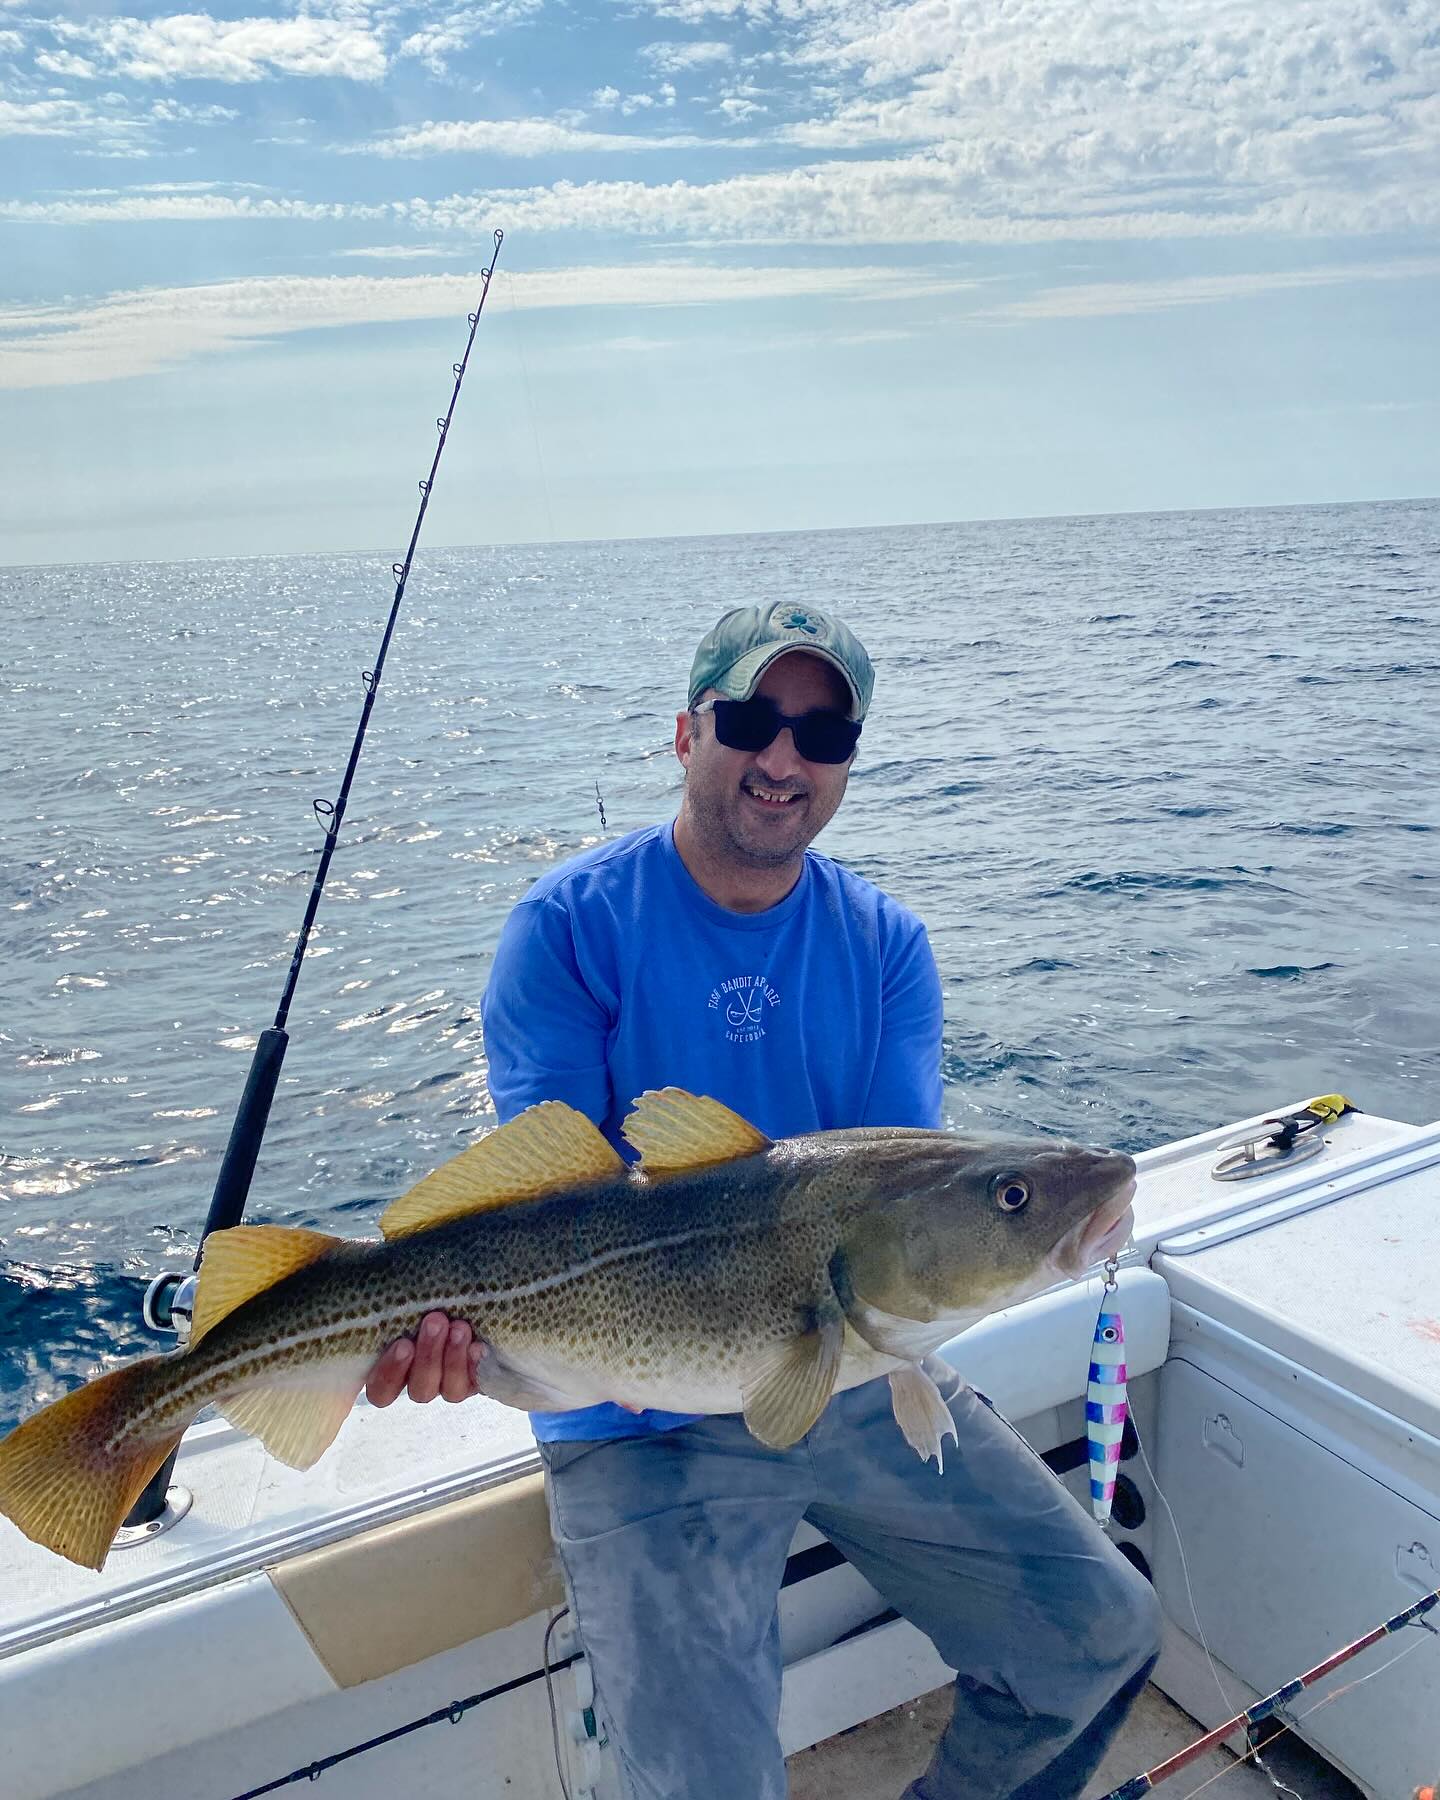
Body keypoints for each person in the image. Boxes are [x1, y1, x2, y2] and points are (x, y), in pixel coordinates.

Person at [366, 602, 1162, 1800]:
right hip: (637, 1424)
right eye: (751, 720)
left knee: (1098, 1639)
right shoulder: (568, 929)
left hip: (848, 1365)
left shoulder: (885, 944)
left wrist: (981, 1254)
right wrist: (464, 1339)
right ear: (686, 733)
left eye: (823, 734)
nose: (784, 759)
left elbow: (894, 1197)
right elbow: (547, 1191)